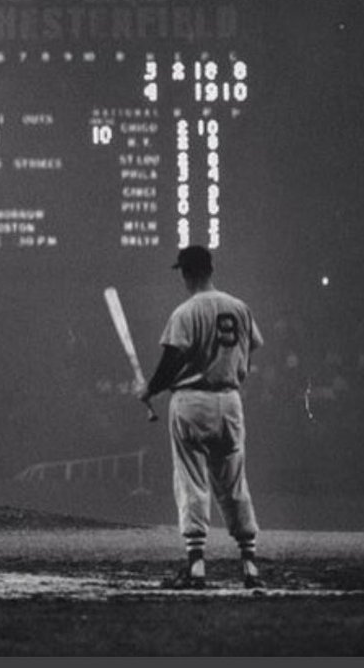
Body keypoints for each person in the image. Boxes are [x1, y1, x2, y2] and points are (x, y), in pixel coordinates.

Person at [135, 245, 265, 590]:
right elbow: (250, 346)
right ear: (211, 268)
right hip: (231, 400)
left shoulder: (186, 311)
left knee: (192, 480)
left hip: (192, 401)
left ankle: (196, 565)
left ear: (186, 273)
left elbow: (172, 361)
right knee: (234, 481)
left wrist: (150, 389)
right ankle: (249, 562)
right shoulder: (240, 307)